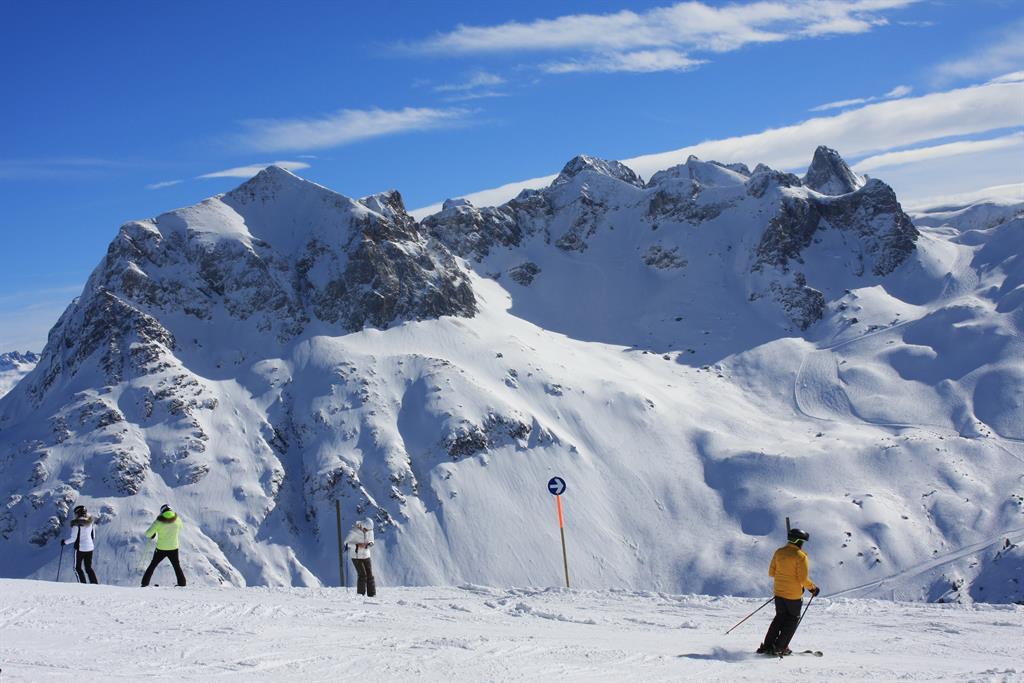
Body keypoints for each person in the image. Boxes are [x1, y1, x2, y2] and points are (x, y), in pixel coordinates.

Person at [758, 528, 819, 656]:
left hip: (779, 592)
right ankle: (779, 647)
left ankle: (767, 646)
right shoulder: (801, 556)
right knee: (792, 620)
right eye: (802, 542)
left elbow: (771, 573)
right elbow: (803, 579)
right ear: (799, 541)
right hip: (793, 596)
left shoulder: (779, 552)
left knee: (779, 618)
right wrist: (813, 588)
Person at [141, 504, 186, 587]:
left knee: (152, 565)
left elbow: (148, 533)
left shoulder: (159, 520)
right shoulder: (177, 519)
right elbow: (181, 527)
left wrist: (154, 533)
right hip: (174, 547)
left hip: (161, 548)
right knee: (176, 566)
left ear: (162, 511)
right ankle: (182, 583)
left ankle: (144, 583)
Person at [62, 505, 99, 584]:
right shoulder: (90, 523)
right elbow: (93, 536)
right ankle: (95, 584)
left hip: (80, 548)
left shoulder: (76, 525)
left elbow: (73, 539)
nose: (75, 515)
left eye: (75, 513)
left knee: (77, 568)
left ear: (78, 513)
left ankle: (82, 585)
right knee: (88, 568)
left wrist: (64, 542)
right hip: (90, 548)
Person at [344, 518, 376, 597]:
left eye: (368, 530)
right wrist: (357, 545)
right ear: (362, 525)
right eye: (365, 529)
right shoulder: (353, 531)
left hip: (366, 555)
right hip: (356, 557)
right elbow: (346, 543)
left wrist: (369, 544)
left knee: (370, 575)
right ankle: (360, 595)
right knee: (362, 575)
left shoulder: (370, 530)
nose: (366, 531)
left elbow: (372, 541)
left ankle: (372, 595)